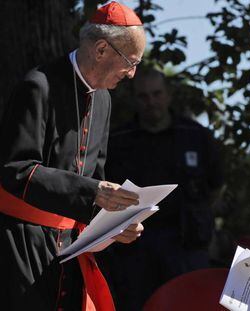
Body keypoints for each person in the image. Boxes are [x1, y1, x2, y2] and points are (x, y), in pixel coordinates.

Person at [0, 2, 146, 310]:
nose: (132, 74)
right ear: (102, 49)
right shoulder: (37, 86)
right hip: (21, 247)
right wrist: (93, 192)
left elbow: (96, 180)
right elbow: (16, 170)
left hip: (69, 249)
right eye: (130, 62)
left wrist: (115, 224)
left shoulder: (103, 99)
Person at [100, 68, 224, 310]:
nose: (151, 102)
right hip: (134, 249)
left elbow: (216, 187)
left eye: (157, 94)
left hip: (186, 245)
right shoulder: (118, 141)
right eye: (143, 96)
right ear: (135, 99)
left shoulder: (196, 136)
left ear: (168, 96)